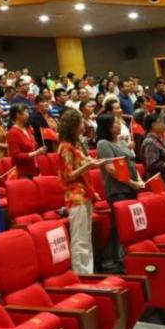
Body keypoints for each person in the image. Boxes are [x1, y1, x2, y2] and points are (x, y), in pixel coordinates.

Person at [96, 113, 145, 271]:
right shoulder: (103, 144)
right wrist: (132, 183)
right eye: (115, 123)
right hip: (117, 190)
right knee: (119, 225)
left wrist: (139, 180)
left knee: (129, 224)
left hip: (131, 188)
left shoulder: (122, 141)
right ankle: (112, 260)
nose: (119, 125)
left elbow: (132, 164)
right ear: (107, 127)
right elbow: (111, 169)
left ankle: (127, 256)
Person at [57, 109, 102, 274]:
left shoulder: (76, 145)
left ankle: (88, 272)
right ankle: (80, 273)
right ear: (73, 125)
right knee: (79, 238)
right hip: (75, 196)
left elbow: (85, 164)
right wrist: (88, 165)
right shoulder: (65, 147)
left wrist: (94, 163)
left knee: (86, 236)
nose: (84, 125)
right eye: (81, 122)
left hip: (84, 193)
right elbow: (68, 175)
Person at [7, 103, 46, 178]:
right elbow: (16, 156)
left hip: (35, 168)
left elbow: (33, 146)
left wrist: (39, 151)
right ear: (17, 115)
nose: (28, 114)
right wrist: (36, 153)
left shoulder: (28, 129)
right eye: (25, 112)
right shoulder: (12, 133)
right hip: (23, 172)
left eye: (27, 112)